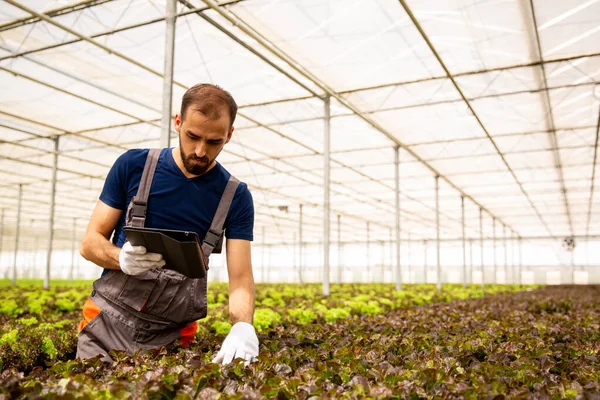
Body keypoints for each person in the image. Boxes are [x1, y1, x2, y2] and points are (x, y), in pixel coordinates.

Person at [76, 83, 258, 366]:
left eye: (214, 142)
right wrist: (120, 257)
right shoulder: (132, 166)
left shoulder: (235, 196)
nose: (200, 151)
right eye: (192, 136)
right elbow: (90, 243)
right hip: (105, 323)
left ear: (229, 135)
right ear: (178, 122)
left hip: (172, 337)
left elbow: (241, 279)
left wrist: (242, 326)